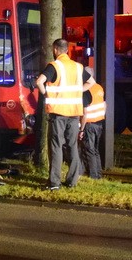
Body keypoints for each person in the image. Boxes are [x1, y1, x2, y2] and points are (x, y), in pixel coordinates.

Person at [35, 38, 92, 190]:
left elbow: (39, 82)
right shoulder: (78, 67)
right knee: (72, 146)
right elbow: (91, 82)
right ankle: (72, 181)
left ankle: (54, 182)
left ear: (55, 50)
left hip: (58, 113)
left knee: (56, 146)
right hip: (74, 112)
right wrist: (79, 91)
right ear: (67, 50)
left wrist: (46, 94)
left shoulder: (54, 66)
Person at [80, 68, 106, 179]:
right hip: (100, 123)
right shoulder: (99, 87)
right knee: (95, 150)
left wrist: (81, 129)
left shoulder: (86, 91)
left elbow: (85, 113)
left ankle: (93, 175)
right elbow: (104, 104)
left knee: (89, 150)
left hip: (89, 124)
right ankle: (98, 174)